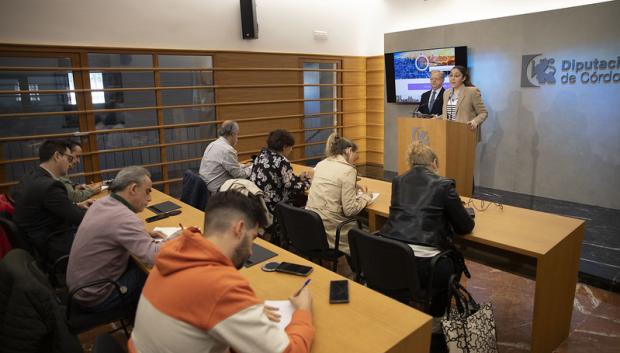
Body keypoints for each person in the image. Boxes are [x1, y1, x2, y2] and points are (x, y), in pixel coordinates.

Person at [129, 191, 315, 353]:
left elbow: (199, 305)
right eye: (252, 238)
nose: (251, 251)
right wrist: (303, 311)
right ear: (239, 228)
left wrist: (244, 310)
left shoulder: (176, 253)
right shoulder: (219, 285)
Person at [377, 142, 474, 318]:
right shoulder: (443, 185)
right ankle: (436, 320)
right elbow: (465, 227)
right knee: (453, 265)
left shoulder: (398, 181)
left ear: (411, 163)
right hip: (427, 265)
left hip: (394, 256)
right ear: (434, 162)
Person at [66, 166, 165, 313]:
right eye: (147, 191)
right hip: (97, 297)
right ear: (133, 189)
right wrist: (177, 240)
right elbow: (153, 257)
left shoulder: (102, 202)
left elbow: (113, 230)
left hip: (80, 288)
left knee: (136, 262)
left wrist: (143, 233)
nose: (150, 198)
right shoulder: (124, 218)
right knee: (155, 272)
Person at [12, 140, 89, 264]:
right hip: (54, 245)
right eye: (69, 158)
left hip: (36, 241)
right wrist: (100, 209)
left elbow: (50, 207)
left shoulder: (30, 176)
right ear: (57, 156)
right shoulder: (50, 186)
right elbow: (80, 218)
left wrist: (76, 206)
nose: (71, 163)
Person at [306, 133, 371, 257]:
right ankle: (358, 268)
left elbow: (333, 180)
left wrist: (354, 185)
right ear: (348, 150)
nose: (356, 159)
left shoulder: (321, 164)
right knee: (368, 229)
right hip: (332, 228)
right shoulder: (348, 170)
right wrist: (366, 197)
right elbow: (350, 210)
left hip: (313, 224)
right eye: (355, 154)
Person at [250, 129, 312, 214]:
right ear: (284, 147)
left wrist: (298, 178)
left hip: (259, 204)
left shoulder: (261, 155)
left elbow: (281, 178)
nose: (291, 150)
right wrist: (308, 182)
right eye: (290, 147)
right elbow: (292, 188)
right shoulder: (281, 161)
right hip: (274, 207)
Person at [199, 120, 251, 193]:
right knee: (250, 186)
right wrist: (253, 168)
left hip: (206, 186)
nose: (237, 137)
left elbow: (225, 164)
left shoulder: (213, 144)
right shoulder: (227, 150)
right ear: (232, 134)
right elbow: (239, 175)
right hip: (217, 189)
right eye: (237, 134)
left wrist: (243, 166)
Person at [439, 66, 488, 139]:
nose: (453, 78)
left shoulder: (472, 91)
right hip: (448, 132)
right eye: (451, 75)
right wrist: (436, 118)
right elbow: (449, 114)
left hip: (466, 133)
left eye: (456, 76)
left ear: (464, 78)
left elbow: (483, 113)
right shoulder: (446, 93)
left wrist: (475, 122)